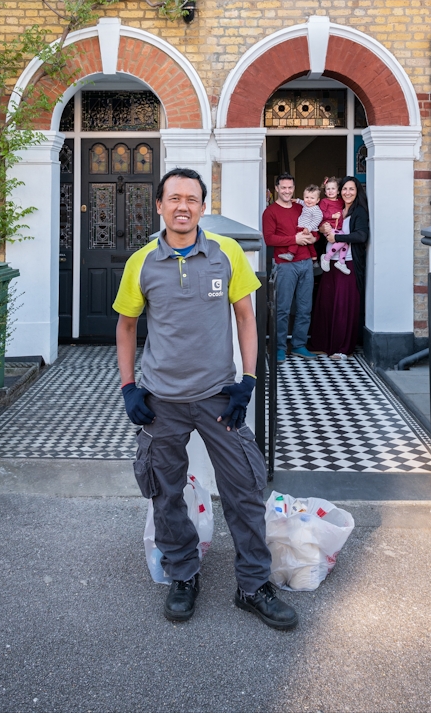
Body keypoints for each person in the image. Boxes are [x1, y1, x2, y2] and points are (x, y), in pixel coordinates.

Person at [113, 167, 298, 631]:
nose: (182, 206)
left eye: (191, 199)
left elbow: (246, 318)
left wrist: (249, 379)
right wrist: (129, 386)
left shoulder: (227, 253)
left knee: (244, 489)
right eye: (173, 198)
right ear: (158, 205)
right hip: (161, 403)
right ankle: (182, 574)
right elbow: (127, 326)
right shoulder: (141, 263)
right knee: (165, 491)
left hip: (219, 398)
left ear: (202, 206)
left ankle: (253, 585)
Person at [309, 175, 369, 358]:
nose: (347, 192)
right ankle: (324, 343)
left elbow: (361, 236)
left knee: (344, 306)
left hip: (348, 264)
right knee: (326, 303)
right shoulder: (338, 208)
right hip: (332, 263)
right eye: (344, 189)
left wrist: (338, 238)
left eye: (351, 189)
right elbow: (323, 228)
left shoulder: (359, 211)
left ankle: (343, 348)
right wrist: (322, 229)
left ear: (357, 191)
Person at [261, 173, 317, 362]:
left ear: (294, 188)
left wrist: (313, 238)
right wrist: (294, 239)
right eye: (283, 187)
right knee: (282, 308)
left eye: (290, 187)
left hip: (306, 262)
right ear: (276, 188)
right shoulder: (270, 212)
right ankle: (278, 348)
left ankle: (299, 345)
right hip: (284, 265)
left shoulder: (302, 207)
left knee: (305, 307)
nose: (287, 191)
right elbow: (269, 239)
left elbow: (314, 227)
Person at [319, 176, 350, 275]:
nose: (330, 191)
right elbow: (320, 214)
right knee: (343, 239)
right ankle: (326, 258)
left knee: (345, 242)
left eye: (333, 188)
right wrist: (332, 216)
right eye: (328, 189)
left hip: (338, 228)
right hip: (328, 227)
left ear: (338, 191)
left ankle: (341, 262)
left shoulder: (341, 201)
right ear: (325, 191)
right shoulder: (324, 202)